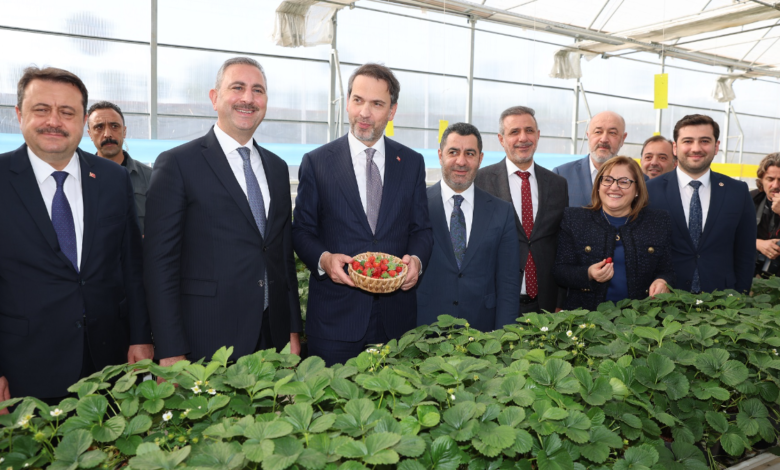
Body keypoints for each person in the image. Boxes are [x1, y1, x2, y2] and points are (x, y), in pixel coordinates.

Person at [0, 67, 152, 411]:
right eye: (41, 109)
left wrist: (141, 338)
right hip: (25, 370)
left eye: (66, 112)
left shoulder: (112, 179)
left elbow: (131, 263)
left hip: (108, 363)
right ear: (19, 114)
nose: (54, 121)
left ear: (83, 121)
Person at [144, 57, 302, 367]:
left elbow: (282, 256)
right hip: (206, 338)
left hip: (272, 333)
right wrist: (169, 347)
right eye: (237, 88)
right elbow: (159, 263)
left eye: (258, 90)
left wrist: (293, 329)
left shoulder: (276, 167)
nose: (248, 98)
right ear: (215, 98)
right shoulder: (178, 164)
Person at [293, 63, 432, 366]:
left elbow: (421, 229)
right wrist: (324, 259)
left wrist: (416, 262)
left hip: (396, 323)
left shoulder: (410, 163)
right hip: (335, 323)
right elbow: (302, 230)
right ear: (347, 102)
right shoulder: (318, 163)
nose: (364, 113)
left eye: (377, 104)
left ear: (392, 110)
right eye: (357, 100)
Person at [417, 123, 520, 331]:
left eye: (470, 153)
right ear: (440, 155)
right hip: (424, 331)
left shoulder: (502, 212)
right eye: (453, 152)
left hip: (482, 334)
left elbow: (508, 285)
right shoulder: (416, 206)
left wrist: (504, 338)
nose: (461, 161)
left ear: (480, 159)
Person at [647, 114, 755, 294]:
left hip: (722, 302)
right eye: (687, 141)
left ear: (716, 146)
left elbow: (746, 252)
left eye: (705, 141)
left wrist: (740, 295)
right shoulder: (649, 191)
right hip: (664, 301)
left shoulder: (738, 192)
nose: (696, 148)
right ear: (675, 147)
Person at [476, 106, 568, 314]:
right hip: (496, 300)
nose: (523, 138)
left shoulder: (558, 184)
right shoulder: (480, 181)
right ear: (501, 139)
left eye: (529, 130)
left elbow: (562, 244)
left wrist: (560, 299)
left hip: (545, 302)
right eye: (514, 132)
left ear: (538, 135)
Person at [554, 156, 674, 311]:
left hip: (641, 321)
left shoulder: (658, 222)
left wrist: (663, 281)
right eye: (608, 180)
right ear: (598, 185)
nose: (614, 187)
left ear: (637, 190)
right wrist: (588, 273)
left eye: (624, 182)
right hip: (586, 321)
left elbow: (668, 270)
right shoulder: (574, 219)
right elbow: (560, 271)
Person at [87, 101, 152, 234]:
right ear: (90, 135)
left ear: (124, 131)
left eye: (114, 126)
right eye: (99, 127)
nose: (107, 134)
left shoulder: (151, 177)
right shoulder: (80, 177)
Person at [553, 111, 627, 208]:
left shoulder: (638, 180)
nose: (604, 139)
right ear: (588, 136)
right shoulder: (562, 175)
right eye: (598, 132)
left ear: (623, 139)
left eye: (612, 133)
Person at [750, 153, 780, 277]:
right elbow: (726, 234)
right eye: (770, 179)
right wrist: (757, 243)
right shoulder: (749, 199)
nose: (776, 186)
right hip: (752, 272)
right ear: (761, 179)